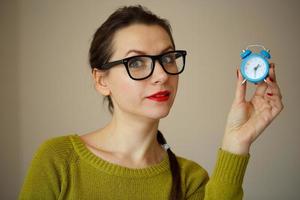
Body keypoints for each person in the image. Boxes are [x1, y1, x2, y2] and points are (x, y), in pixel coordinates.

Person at [19, 5, 284, 200]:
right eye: (136, 62)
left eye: (168, 58)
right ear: (101, 81)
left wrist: (236, 143)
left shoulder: (191, 179)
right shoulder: (58, 160)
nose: (162, 75)